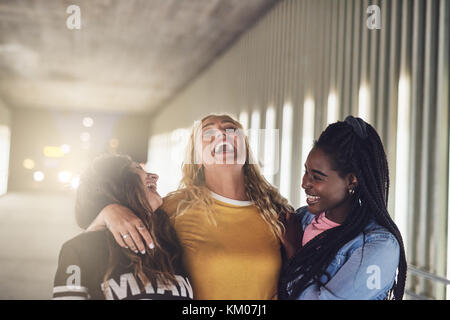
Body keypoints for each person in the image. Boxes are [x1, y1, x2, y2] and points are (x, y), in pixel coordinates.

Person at [84, 114, 294, 299]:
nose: (221, 134)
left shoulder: (276, 212)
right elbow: (107, 245)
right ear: (197, 157)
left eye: (230, 129)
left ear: (246, 149)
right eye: (208, 132)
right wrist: (108, 213)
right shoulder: (174, 207)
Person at [278, 116, 407, 300]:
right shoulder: (300, 219)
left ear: (351, 180)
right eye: (306, 171)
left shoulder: (379, 246)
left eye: (317, 177)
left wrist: (294, 252)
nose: (304, 183)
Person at [52, 154, 193, 300]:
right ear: (116, 184)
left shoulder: (170, 243)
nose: (155, 176)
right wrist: (105, 215)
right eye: (138, 168)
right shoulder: (81, 248)